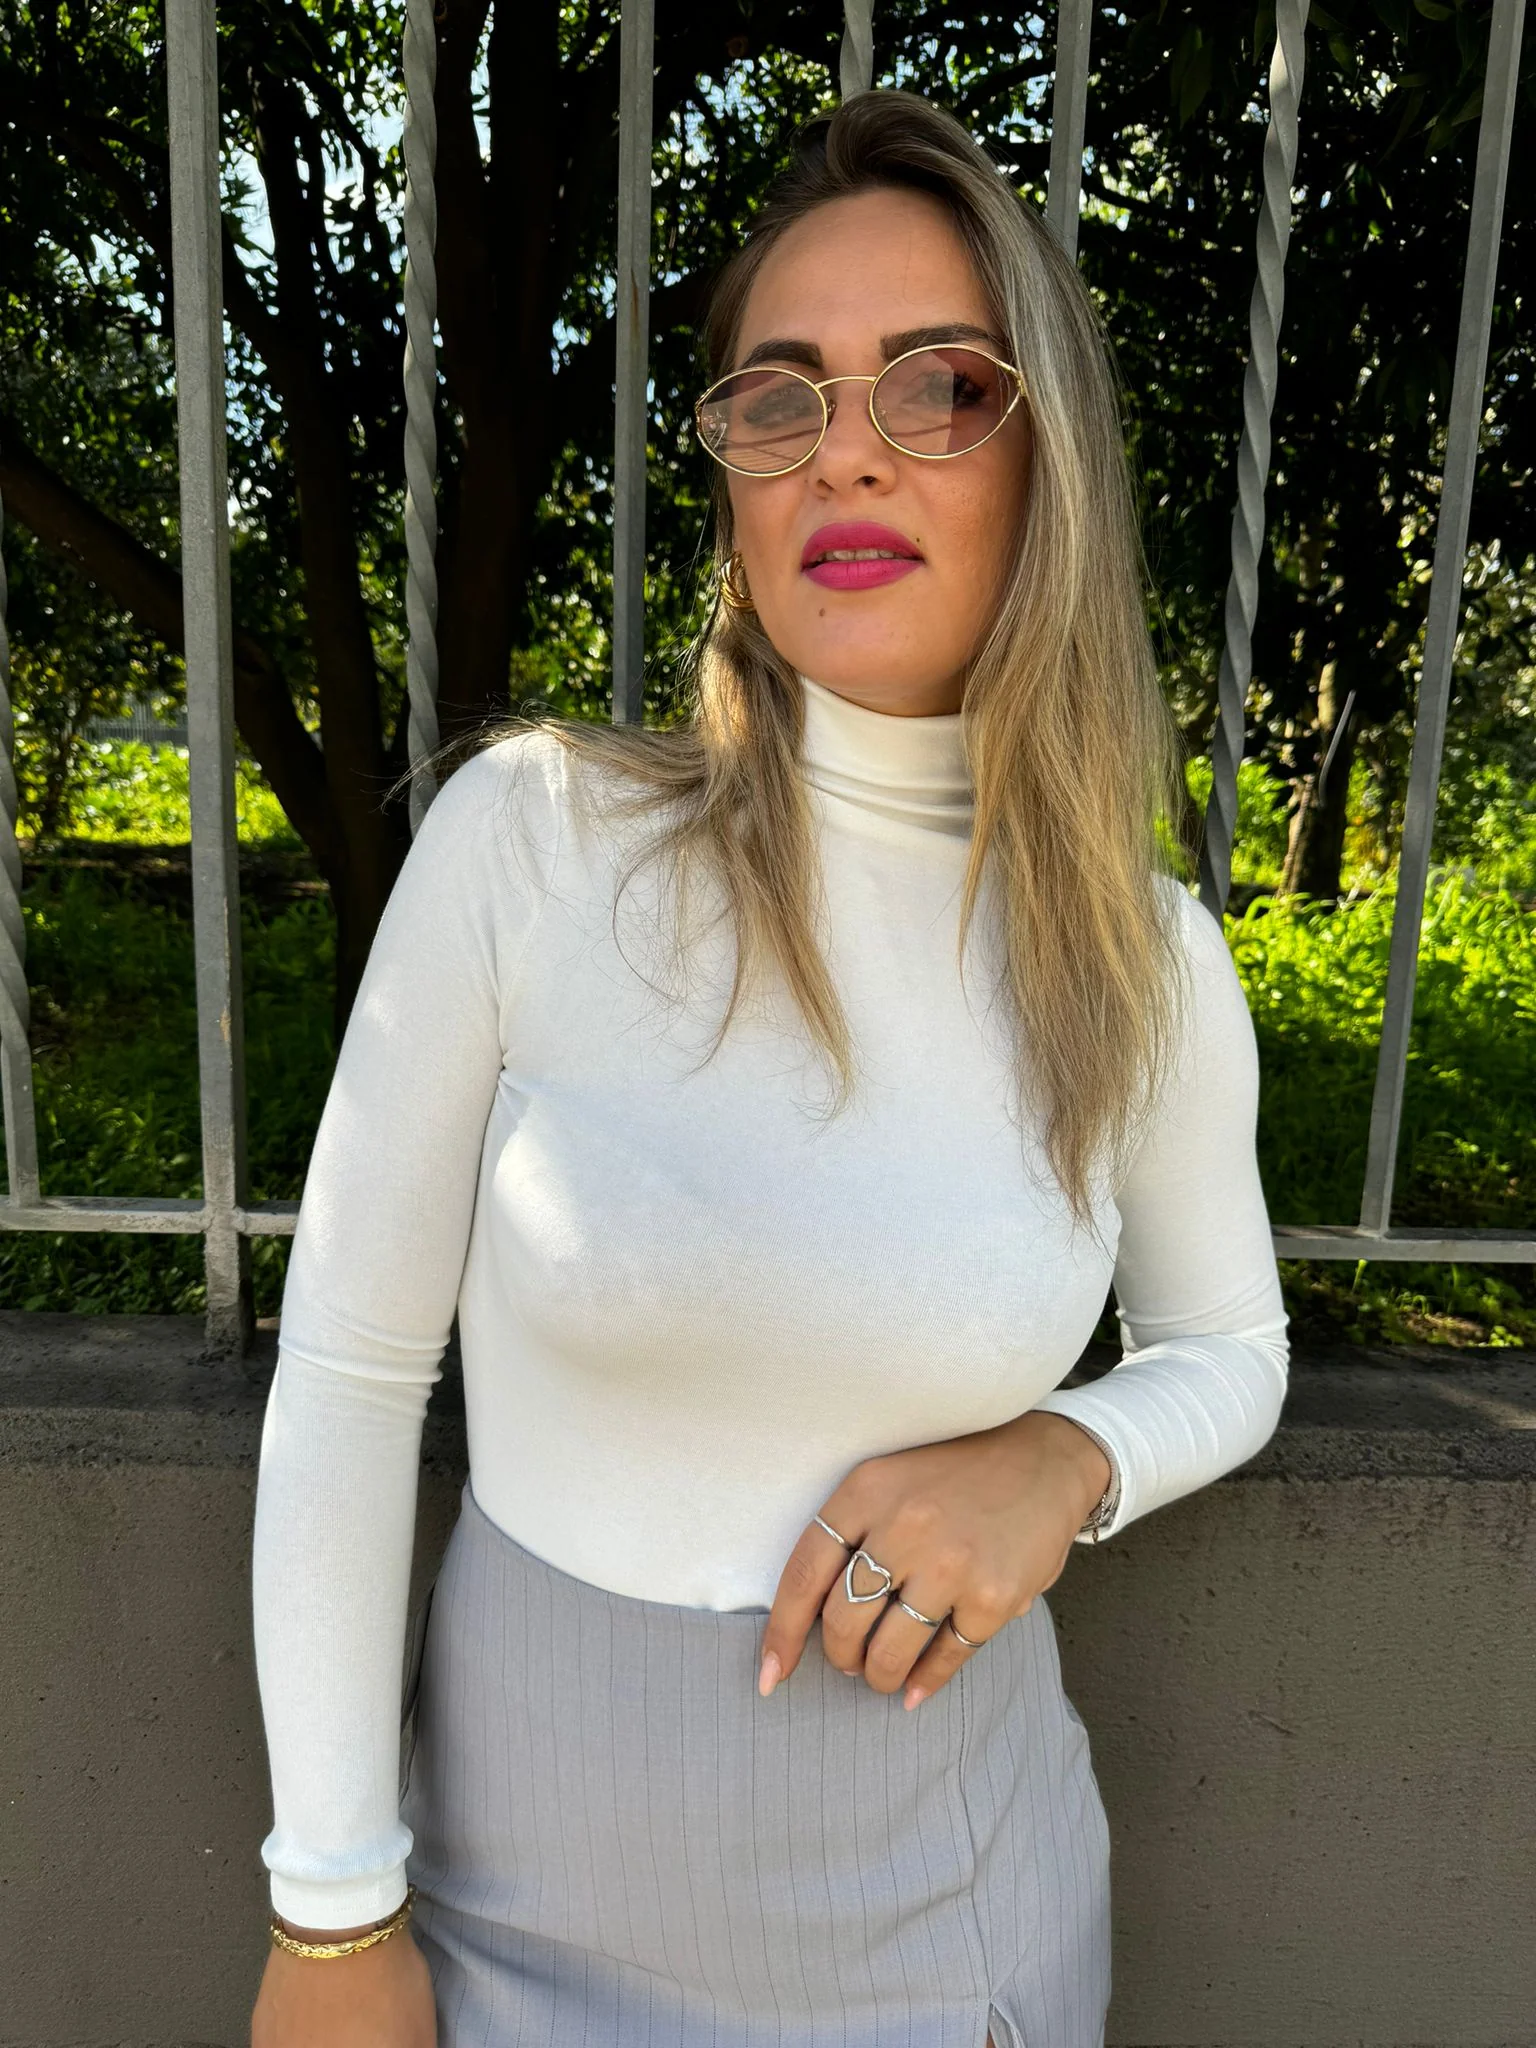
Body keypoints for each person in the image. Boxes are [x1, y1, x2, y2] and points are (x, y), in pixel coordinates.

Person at [249, 88, 1288, 2048]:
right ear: (731, 476)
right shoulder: (535, 841)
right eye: (780, 397)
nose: (847, 453)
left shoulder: (1140, 960)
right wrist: (330, 1913)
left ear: (1047, 457)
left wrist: (1070, 1461)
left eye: (940, 387)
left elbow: (1229, 1346)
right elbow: (352, 1377)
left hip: (956, 1951)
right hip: (489, 1926)